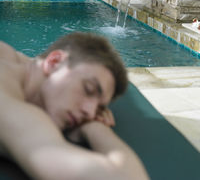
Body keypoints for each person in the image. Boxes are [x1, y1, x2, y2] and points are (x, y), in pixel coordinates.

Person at [0, 32, 150, 180]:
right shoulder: (12, 109)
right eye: (88, 89)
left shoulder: (10, 56)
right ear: (54, 62)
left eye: (99, 108)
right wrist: (95, 128)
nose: (90, 113)